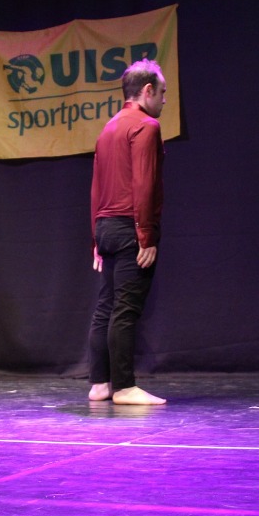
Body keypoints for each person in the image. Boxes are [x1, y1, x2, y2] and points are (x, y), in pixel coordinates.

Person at [86, 59, 168, 406]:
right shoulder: (146, 126)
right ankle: (123, 387)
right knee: (125, 309)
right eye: (162, 93)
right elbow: (144, 184)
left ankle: (99, 384)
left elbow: (95, 187)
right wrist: (146, 235)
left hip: (105, 226)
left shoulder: (108, 129)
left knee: (106, 306)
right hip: (130, 226)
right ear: (147, 91)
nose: (164, 100)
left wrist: (95, 238)